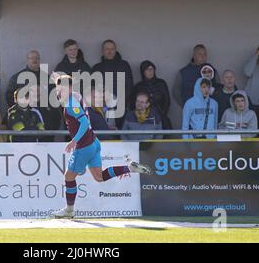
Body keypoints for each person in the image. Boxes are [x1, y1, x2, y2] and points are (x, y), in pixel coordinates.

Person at [51, 75, 151, 219]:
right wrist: (58, 79)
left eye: (63, 88)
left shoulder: (71, 103)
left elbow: (84, 123)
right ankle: (129, 168)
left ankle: (69, 210)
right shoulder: (75, 96)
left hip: (84, 145)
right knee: (99, 177)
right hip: (93, 142)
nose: (60, 90)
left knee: (69, 177)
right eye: (58, 88)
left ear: (70, 88)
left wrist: (74, 140)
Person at [92, 40, 133, 128]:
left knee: (120, 133)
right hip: (102, 108)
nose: (110, 51)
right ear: (102, 51)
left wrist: (122, 101)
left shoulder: (124, 65)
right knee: (104, 134)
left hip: (121, 107)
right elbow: (93, 89)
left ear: (115, 50)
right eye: (107, 49)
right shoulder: (97, 68)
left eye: (112, 49)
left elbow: (129, 86)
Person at [130, 60, 172, 129]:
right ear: (143, 72)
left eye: (151, 69)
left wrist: (162, 114)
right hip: (142, 119)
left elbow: (167, 101)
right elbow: (133, 104)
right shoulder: (138, 86)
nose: (150, 71)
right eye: (147, 69)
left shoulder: (161, 83)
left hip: (160, 117)